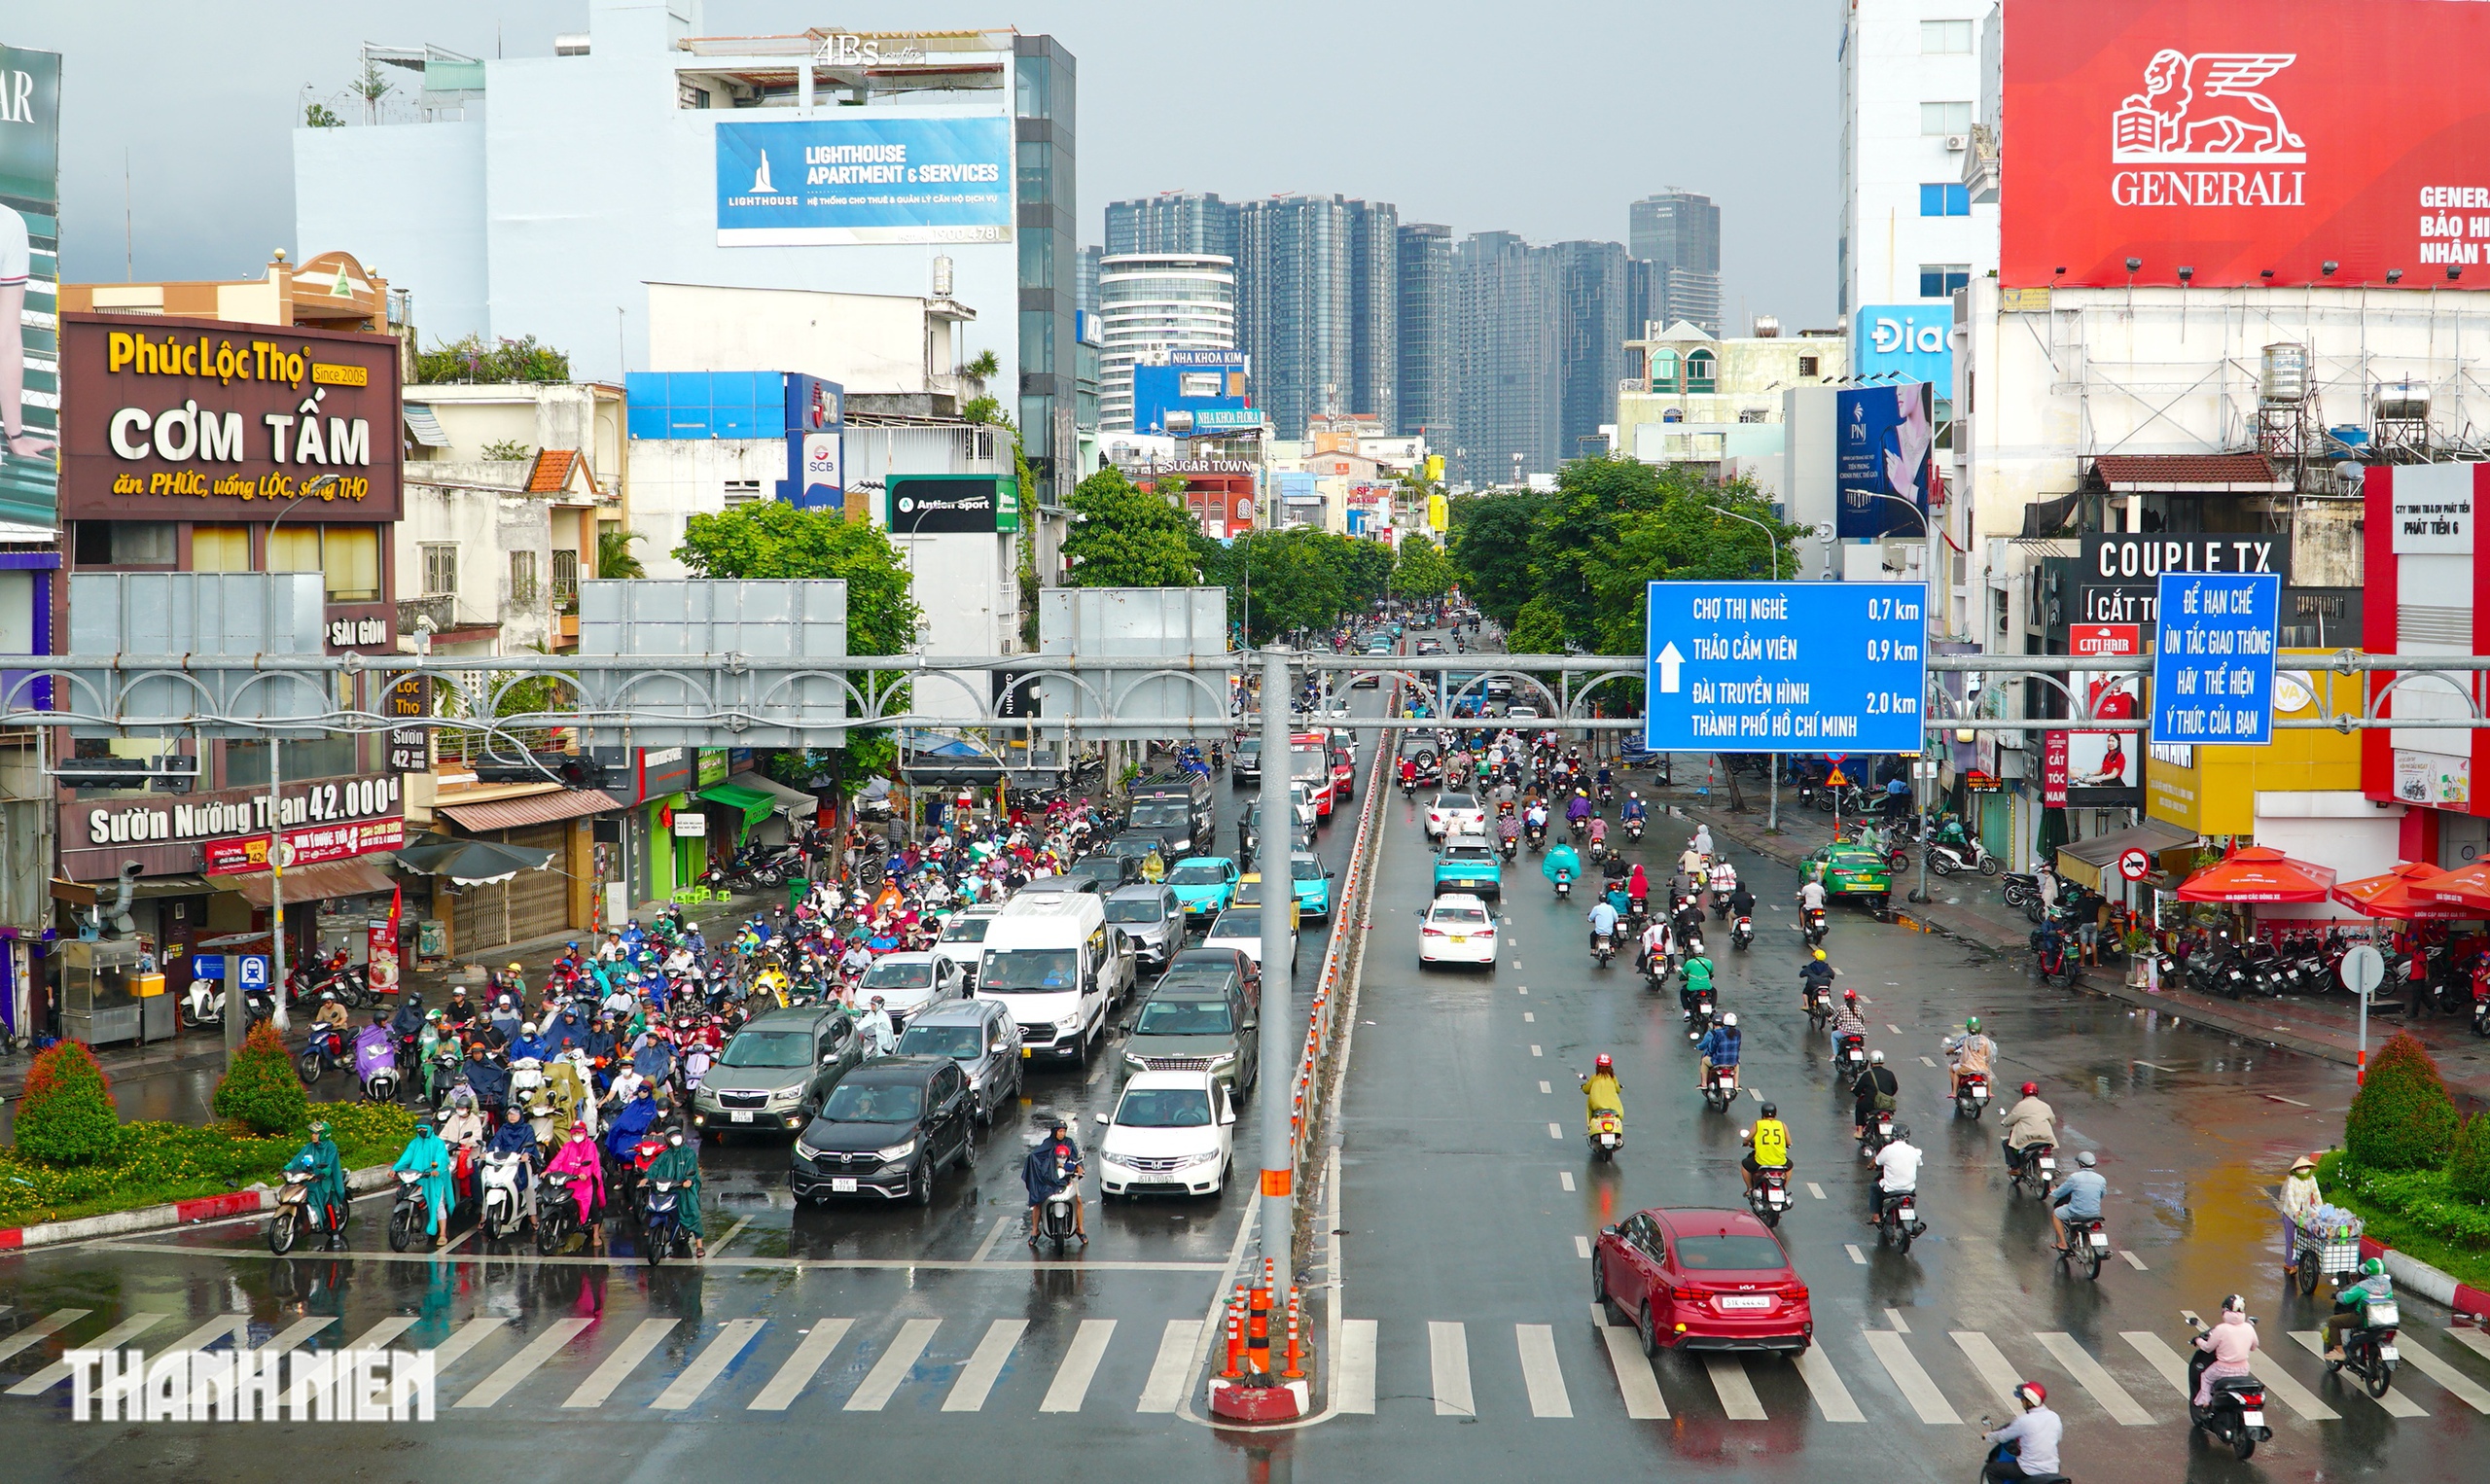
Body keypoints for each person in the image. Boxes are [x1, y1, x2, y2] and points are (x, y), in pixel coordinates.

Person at [393, 1113, 458, 1250]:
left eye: (424, 1128)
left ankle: (442, 1234)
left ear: (430, 1128)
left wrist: (437, 1170)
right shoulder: (414, 1143)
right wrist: (395, 1169)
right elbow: (406, 1158)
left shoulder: (438, 1143)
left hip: (433, 1179)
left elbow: (441, 1159)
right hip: (417, 1177)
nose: (421, 1131)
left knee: (438, 1203)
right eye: (418, 1128)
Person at [285, 1120, 350, 1251]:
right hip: (310, 1179)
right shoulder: (309, 1147)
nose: (313, 1136)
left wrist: (323, 1173)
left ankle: (335, 1233)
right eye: (312, 1133)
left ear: (324, 1134)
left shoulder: (331, 1147)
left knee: (329, 1205)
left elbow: (330, 1164)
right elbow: (297, 1159)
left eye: (316, 1133)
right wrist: (287, 1168)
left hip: (326, 1181)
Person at [645, 1123, 707, 1257]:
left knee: (693, 1212)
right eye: (672, 1136)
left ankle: (699, 1245)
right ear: (667, 1139)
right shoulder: (665, 1155)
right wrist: (647, 1178)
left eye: (677, 1135)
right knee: (651, 1204)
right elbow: (654, 1167)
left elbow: (692, 1170)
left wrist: (688, 1180)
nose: (675, 1138)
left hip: (684, 1190)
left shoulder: (688, 1153)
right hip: (668, 1189)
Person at [1979, 1383, 2063, 1481]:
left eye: (2023, 1399)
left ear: (2030, 1402)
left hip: (2028, 1469)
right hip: (2052, 1468)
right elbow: (2058, 1438)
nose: (2021, 1401)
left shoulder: (2024, 1420)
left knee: (1991, 1470)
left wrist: (1988, 1436)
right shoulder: (2054, 1417)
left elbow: (2002, 1436)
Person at [1023, 1117, 1086, 1244]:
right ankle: (1035, 1230)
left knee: (1078, 1200)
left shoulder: (1069, 1142)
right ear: (1054, 1131)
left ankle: (1080, 1228)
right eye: (1060, 1131)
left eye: (1064, 1131)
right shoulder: (1048, 1143)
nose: (1062, 1134)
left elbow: (1075, 1158)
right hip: (1049, 1180)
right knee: (1037, 1202)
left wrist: (1079, 1168)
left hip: (1067, 1177)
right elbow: (1038, 1157)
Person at [2192, 1296, 2260, 1407]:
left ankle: (2206, 1403)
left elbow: (2208, 1348)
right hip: (2243, 1369)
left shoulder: (2221, 1329)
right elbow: (2254, 1347)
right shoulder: (2249, 1327)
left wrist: (2197, 1340)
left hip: (2222, 1369)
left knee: (2205, 1377)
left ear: (2225, 1310)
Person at [2323, 1257, 2394, 1361]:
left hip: (2364, 1319)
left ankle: (2340, 1351)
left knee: (2332, 1321)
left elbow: (2345, 1299)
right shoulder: (2388, 1286)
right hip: (2384, 1319)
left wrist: (2337, 1294)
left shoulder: (2363, 1286)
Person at [2049, 1149, 2108, 1254]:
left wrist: (2053, 1191)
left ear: (2080, 1164)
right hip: (2094, 1214)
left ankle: (2063, 1243)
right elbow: (2102, 1194)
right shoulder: (2101, 1179)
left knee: (2056, 1214)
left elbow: (2059, 1193)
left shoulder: (2074, 1177)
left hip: (2076, 1213)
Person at [2281, 1151, 2325, 1280]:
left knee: (2306, 1238)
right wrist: (2295, 1210)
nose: (2303, 1170)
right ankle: (2290, 1263)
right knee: (2290, 1239)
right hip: (2290, 1214)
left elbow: (2316, 1194)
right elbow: (2289, 1196)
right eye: (2301, 1168)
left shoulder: (2311, 1179)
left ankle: (2304, 1259)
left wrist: (2320, 1208)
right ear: (2296, 1170)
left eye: (2305, 1167)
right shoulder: (2292, 1180)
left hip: (2305, 1214)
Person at [1868, 1120, 1922, 1220]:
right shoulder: (1912, 1150)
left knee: (1874, 1187)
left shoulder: (1888, 1150)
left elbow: (1877, 1162)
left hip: (1891, 1188)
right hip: (1909, 1189)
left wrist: (1870, 1166)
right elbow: (1919, 1163)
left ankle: (1876, 1217)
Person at [2002, 1081, 2056, 1175]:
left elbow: (2011, 1119)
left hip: (2028, 1138)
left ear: (2023, 1093)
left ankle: (2016, 1167)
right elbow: (2053, 1121)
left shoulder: (2021, 1105)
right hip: (2046, 1139)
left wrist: (2004, 1122)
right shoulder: (2045, 1106)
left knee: (2006, 1144)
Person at [1941, 1016, 1996, 1099]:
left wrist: (1962, 1062)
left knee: (1955, 1072)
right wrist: (1986, 1064)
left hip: (1969, 1067)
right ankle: (1989, 1092)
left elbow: (1965, 1056)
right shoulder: (1985, 1040)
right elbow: (1988, 1055)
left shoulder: (1967, 1040)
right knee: (1988, 1074)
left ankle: (1954, 1093)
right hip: (1982, 1067)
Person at [1743, 1101, 1790, 1195]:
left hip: (1761, 1160)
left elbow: (1747, 1138)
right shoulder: (1782, 1125)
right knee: (1790, 1167)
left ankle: (1749, 1189)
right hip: (1779, 1160)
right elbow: (1788, 1142)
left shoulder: (1758, 1124)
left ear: (1762, 1113)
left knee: (1745, 1165)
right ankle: (1783, 1187)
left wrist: (1746, 1142)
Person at [1851, 1048, 1898, 1139]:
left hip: (1872, 1105)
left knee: (1859, 1106)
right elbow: (1894, 1089)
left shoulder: (1867, 1075)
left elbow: (1857, 1091)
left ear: (1871, 1061)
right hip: (1887, 1105)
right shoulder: (1890, 1074)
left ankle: (1860, 1132)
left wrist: (1854, 1090)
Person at [1695, 1011, 1740, 1092]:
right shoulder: (1738, 1033)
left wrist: (1709, 1054)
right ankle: (1736, 1085)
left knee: (1704, 1061)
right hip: (1732, 1062)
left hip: (1718, 1061)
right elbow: (1737, 1047)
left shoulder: (1718, 1033)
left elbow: (1712, 1047)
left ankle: (1704, 1084)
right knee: (1737, 1064)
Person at [1581, 1053, 1623, 1134]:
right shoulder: (1613, 1078)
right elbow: (1618, 1090)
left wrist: (1583, 1087)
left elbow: (1586, 1090)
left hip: (1597, 1106)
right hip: (1614, 1107)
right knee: (1620, 1114)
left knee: (1589, 1108)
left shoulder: (1594, 1078)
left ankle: (1590, 1128)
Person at [1828, 988, 1869, 1060]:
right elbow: (1863, 1019)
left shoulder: (1842, 1008)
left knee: (1833, 1035)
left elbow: (1834, 1019)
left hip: (1846, 1032)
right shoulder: (1859, 1008)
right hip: (1859, 1033)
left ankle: (1835, 1055)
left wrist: (1830, 1020)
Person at [1681, 946, 1716, 1015]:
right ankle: (1712, 1008)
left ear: (1693, 953)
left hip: (1692, 988)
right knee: (1714, 992)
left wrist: (1680, 978)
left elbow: (1684, 973)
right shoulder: (1709, 962)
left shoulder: (1689, 962)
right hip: (1707, 987)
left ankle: (1687, 1011)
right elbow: (1711, 972)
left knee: (1683, 993)